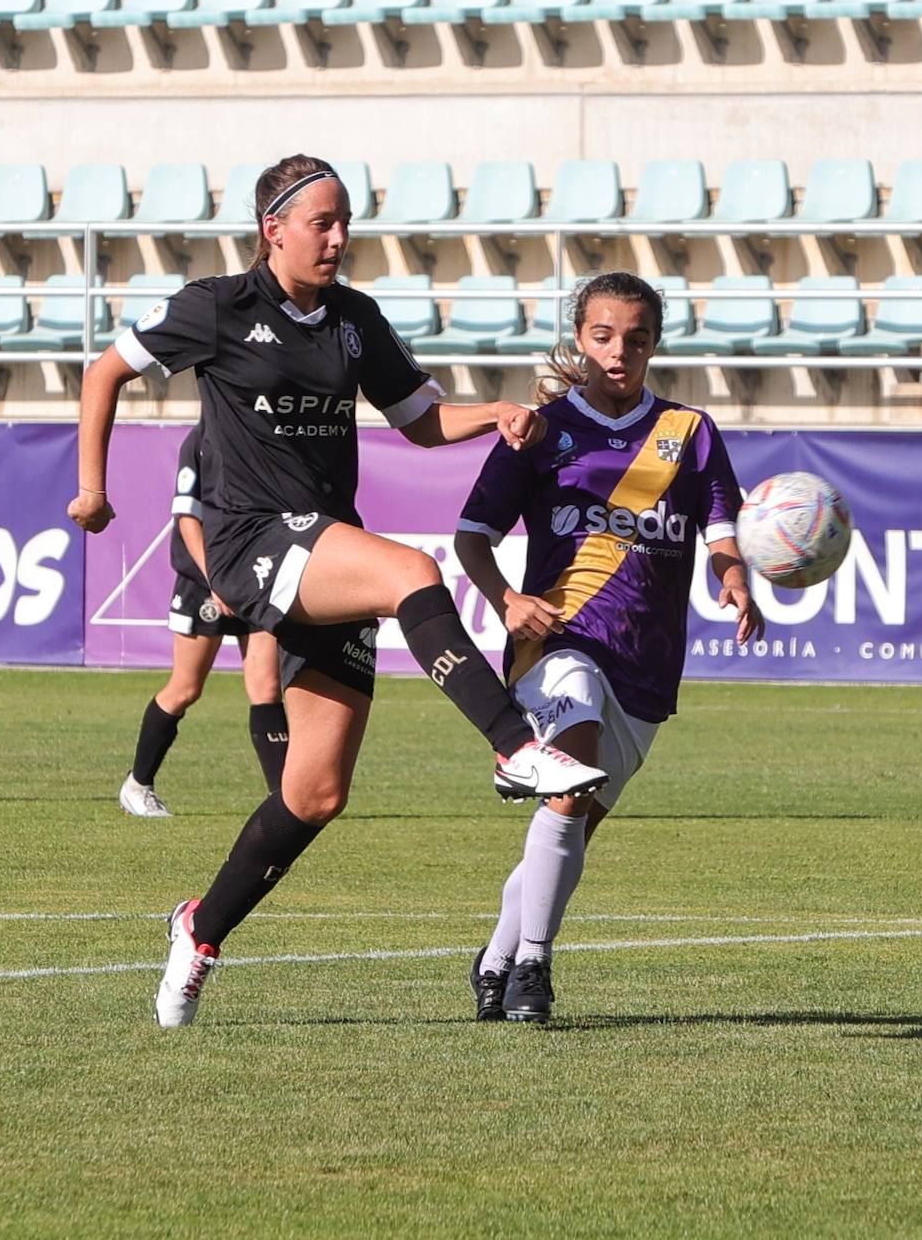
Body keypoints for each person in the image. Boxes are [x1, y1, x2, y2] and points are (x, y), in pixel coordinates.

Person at [67, 153, 608, 1028]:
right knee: (411, 573)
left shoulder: (354, 320)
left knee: (314, 794)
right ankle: (516, 746)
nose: (339, 238)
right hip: (248, 538)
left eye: (344, 220)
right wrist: (93, 487)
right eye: (321, 222)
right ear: (271, 229)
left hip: (319, 549)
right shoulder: (216, 307)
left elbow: (420, 421)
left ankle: (197, 930)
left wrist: (497, 413)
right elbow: (103, 373)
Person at [454, 271, 765, 1024]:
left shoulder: (689, 434)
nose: (618, 351)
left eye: (635, 337)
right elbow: (471, 537)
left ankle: (493, 961)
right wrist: (506, 598)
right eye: (602, 336)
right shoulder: (541, 428)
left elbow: (721, 531)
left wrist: (736, 581)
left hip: (647, 661)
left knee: (570, 816)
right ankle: (534, 965)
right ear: (580, 339)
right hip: (557, 643)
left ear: (654, 343)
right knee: (569, 771)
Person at [119, 425, 289, 818]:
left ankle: (286, 801)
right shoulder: (201, 442)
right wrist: (216, 580)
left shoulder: (261, 435)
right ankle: (138, 785)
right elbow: (187, 519)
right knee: (185, 688)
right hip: (204, 582)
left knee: (266, 688)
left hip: (254, 575)